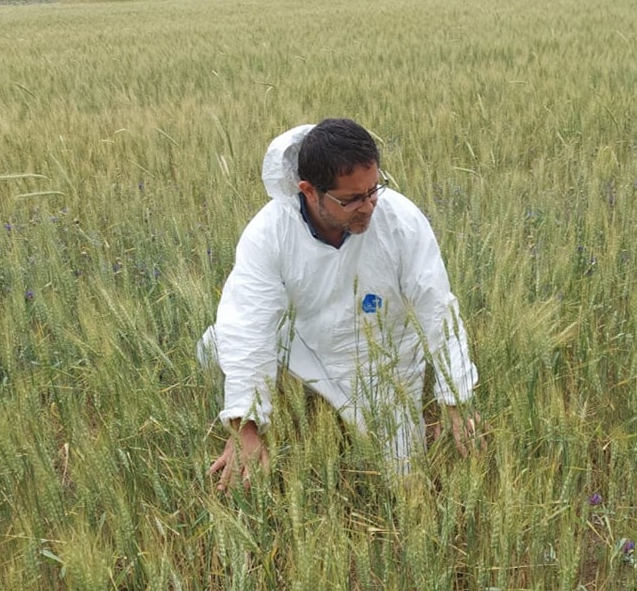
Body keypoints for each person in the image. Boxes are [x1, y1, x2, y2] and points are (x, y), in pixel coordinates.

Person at [202, 119, 479, 491]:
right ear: (309, 191)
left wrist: (455, 399)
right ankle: (293, 401)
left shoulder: (400, 219)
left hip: (385, 360)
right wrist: (245, 427)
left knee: (405, 480)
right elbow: (248, 325)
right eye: (351, 199)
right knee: (216, 344)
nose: (368, 207)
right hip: (306, 346)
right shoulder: (269, 233)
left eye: (373, 190)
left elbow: (437, 310)